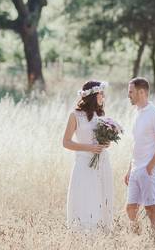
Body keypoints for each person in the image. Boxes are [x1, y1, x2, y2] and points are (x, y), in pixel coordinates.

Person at [62, 80, 114, 231]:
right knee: (85, 197)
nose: (103, 97)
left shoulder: (101, 114)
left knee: (100, 196)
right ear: (93, 95)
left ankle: (101, 232)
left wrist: (105, 143)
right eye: (101, 94)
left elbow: (103, 140)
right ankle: (83, 232)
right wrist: (89, 148)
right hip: (84, 163)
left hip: (102, 162)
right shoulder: (75, 115)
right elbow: (66, 142)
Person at [124, 77, 155, 234]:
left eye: (131, 92)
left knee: (151, 208)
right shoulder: (136, 113)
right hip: (136, 169)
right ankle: (138, 239)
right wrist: (130, 169)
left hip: (148, 170)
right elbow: (136, 144)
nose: (128, 95)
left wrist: (150, 167)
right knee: (130, 208)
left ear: (141, 92)